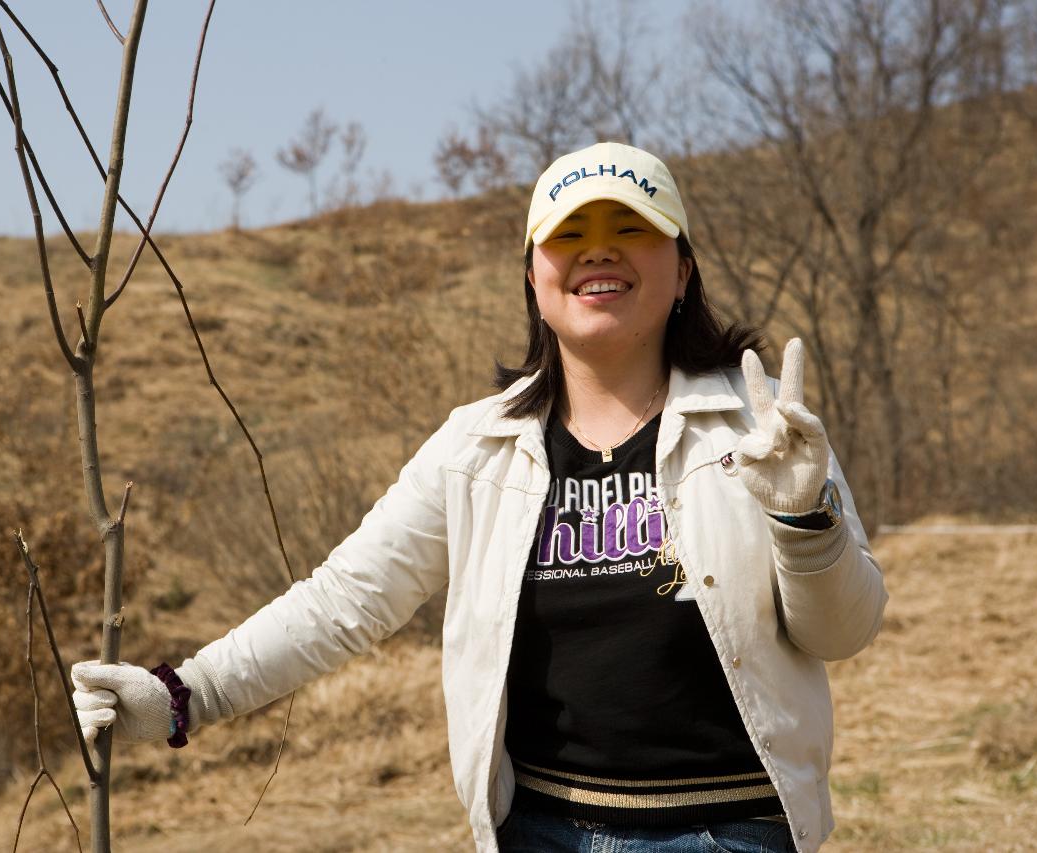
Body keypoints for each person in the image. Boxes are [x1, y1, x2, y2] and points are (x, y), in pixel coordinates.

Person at [72, 142, 888, 853]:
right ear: (535, 278)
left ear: (681, 270)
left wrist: (802, 517)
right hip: (539, 830)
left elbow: (844, 630)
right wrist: (185, 694)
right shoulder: (477, 448)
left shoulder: (763, 423)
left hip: (728, 830)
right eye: (569, 236)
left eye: (630, 230)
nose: (598, 253)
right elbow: (343, 601)